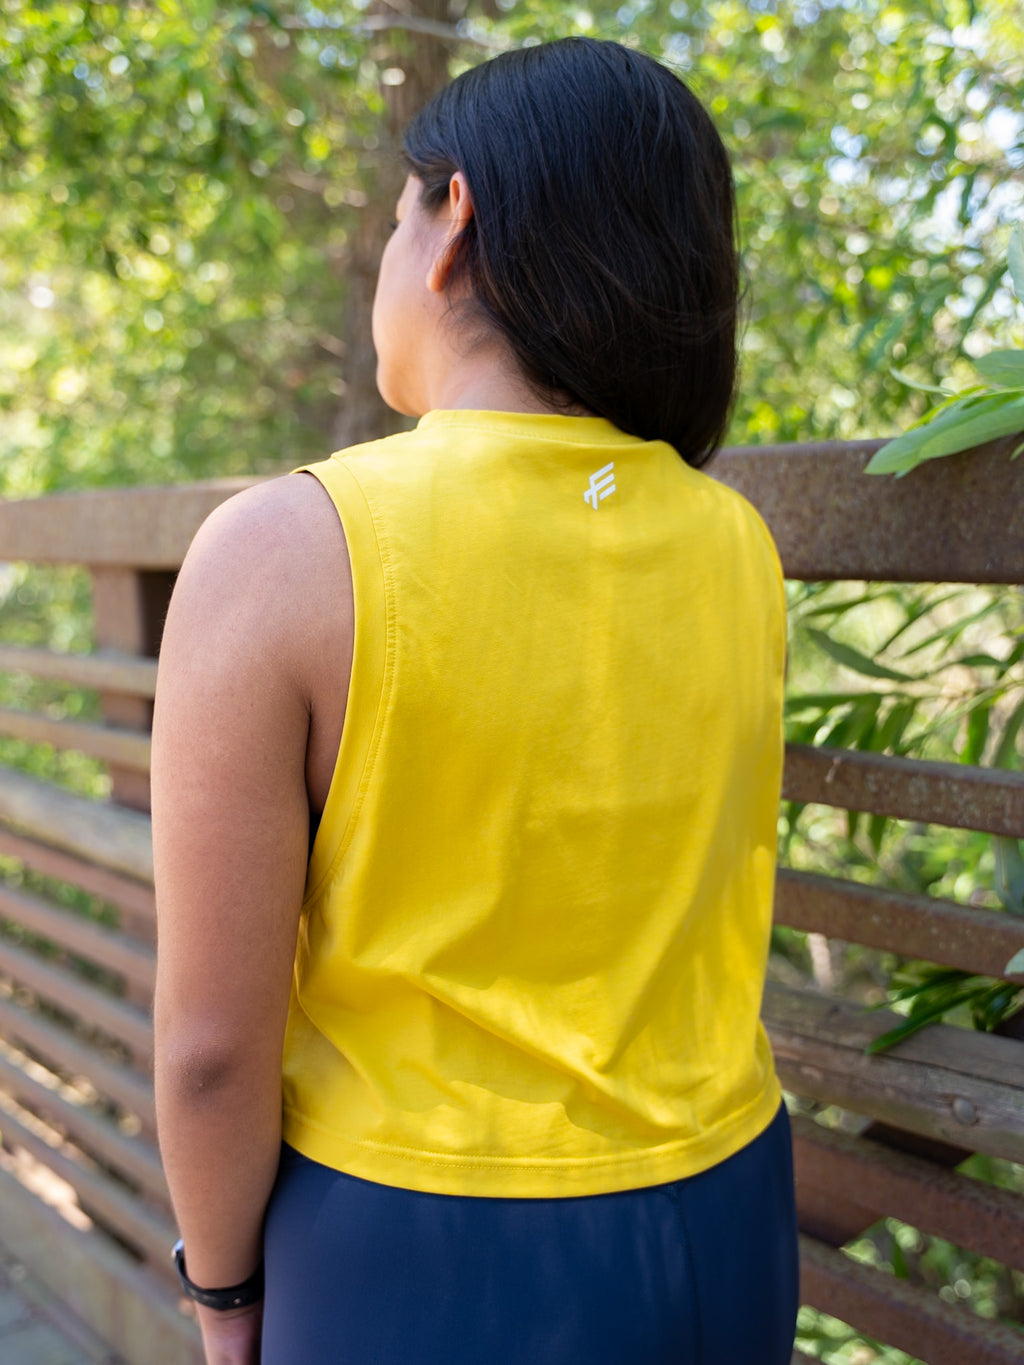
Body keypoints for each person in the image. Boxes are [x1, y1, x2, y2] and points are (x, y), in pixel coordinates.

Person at [152, 36, 798, 1365]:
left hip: (420, 1248)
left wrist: (223, 1299)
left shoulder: (284, 549)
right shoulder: (738, 543)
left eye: (399, 217)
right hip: (725, 1205)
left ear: (456, 227)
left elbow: (213, 1046)